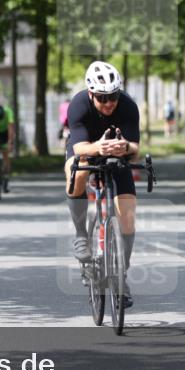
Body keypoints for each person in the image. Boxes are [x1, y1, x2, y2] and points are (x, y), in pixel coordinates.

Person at [65, 61, 141, 308]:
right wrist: (98, 147)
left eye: (113, 96)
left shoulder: (128, 106)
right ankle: (80, 235)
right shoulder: (78, 105)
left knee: (127, 215)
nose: (109, 103)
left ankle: (120, 275)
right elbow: (78, 148)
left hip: (117, 157)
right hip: (87, 149)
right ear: (91, 94)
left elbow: (136, 150)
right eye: (102, 98)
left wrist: (125, 147)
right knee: (75, 172)